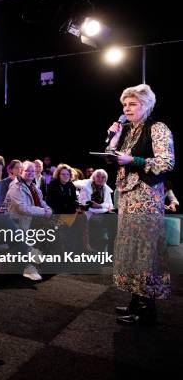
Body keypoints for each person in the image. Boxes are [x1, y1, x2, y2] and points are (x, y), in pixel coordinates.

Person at [106, 84, 174, 325]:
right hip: (127, 197)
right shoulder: (127, 130)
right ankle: (136, 301)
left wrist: (133, 159)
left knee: (144, 252)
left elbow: (166, 163)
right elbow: (112, 156)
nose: (127, 108)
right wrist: (114, 137)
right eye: (125, 104)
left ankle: (147, 309)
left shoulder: (157, 128)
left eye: (133, 104)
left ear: (147, 105)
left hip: (145, 198)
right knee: (132, 252)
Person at [6, 161, 53, 281]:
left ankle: (37, 264)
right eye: (27, 170)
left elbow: (42, 202)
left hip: (31, 220)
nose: (31, 173)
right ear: (21, 171)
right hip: (16, 222)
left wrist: (47, 208)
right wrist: (43, 212)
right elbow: (22, 208)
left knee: (52, 230)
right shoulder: (15, 187)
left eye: (33, 171)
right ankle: (27, 267)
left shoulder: (33, 187)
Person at [78, 169, 116, 253]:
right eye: (98, 176)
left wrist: (99, 206)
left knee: (112, 218)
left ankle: (108, 254)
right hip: (88, 216)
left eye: (103, 177)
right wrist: (103, 208)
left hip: (102, 216)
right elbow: (85, 205)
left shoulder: (106, 189)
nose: (100, 179)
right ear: (94, 178)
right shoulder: (86, 188)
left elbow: (110, 205)